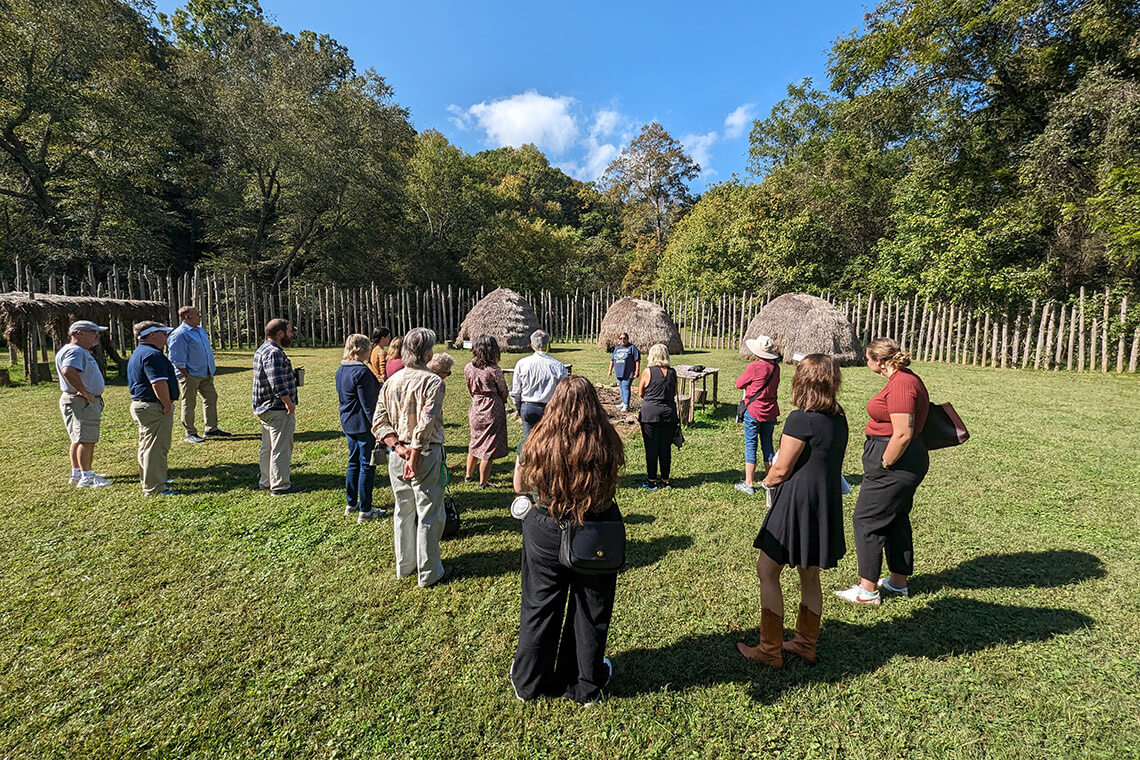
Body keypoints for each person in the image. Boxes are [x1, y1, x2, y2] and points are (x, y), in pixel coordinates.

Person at [509, 375, 626, 705]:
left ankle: (529, 681)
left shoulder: (536, 440)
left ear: (553, 403)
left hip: (545, 526)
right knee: (591, 608)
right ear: (593, 405)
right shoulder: (606, 440)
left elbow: (520, 484)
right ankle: (584, 685)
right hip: (596, 530)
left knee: (539, 605)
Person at [736, 355, 849, 668]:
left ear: (803, 379)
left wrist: (765, 483)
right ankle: (804, 643)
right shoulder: (838, 417)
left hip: (796, 503)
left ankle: (770, 649)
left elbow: (782, 467)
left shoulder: (802, 419)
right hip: (823, 505)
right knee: (809, 575)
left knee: (767, 569)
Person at [836, 338, 930, 605]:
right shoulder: (905, 379)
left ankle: (867, 591)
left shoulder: (901, 384)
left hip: (895, 460)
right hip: (903, 460)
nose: (866, 363)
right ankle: (898, 582)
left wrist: (885, 463)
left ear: (880, 361)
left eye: (867, 358)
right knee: (895, 517)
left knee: (867, 520)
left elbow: (902, 433)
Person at [371, 327, 453, 588]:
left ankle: (405, 564)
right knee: (429, 512)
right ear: (427, 352)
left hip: (399, 453)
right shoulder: (433, 382)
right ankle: (429, 571)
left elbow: (378, 422)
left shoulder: (391, 381)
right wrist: (413, 453)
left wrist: (396, 447)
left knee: (403, 510)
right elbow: (426, 422)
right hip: (424, 453)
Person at [56, 320, 112, 488]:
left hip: (75, 400)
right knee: (86, 440)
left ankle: (77, 472)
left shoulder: (71, 350)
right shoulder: (76, 351)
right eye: (93, 332)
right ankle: (87, 477)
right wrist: (85, 392)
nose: (97, 336)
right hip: (82, 402)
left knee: (78, 438)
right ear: (78, 333)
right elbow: (68, 371)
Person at [126, 321, 179, 497]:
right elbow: (158, 383)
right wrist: (166, 404)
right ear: (153, 334)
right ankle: (155, 487)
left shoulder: (140, 352)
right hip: (153, 406)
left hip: (143, 405)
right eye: (163, 333)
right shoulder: (153, 355)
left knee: (147, 446)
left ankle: (150, 479)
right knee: (156, 448)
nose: (166, 337)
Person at [252, 318, 301, 495]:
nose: (291, 335)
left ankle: (266, 480)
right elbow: (277, 384)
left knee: (268, 447)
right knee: (281, 447)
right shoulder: (274, 353)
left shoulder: (263, 349)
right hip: (276, 407)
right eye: (289, 331)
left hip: (264, 407)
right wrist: (289, 403)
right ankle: (280, 485)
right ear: (280, 333)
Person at [337, 334, 383, 522]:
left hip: (348, 422)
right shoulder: (362, 372)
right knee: (367, 465)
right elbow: (368, 404)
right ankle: (365, 508)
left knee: (353, 462)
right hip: (364, 425)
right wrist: (378, 427)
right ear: (362, 349)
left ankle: (351, 502)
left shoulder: (341, 370)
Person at [168, 305, 230, 443]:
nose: (200, 316)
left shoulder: (200, 330)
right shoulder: (179, 334)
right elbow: (175, 358)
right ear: (186, 317)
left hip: (205, 372)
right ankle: (190, 433)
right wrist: (186, 374)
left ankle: (211, 429)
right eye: (197, 314)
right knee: (189, 403)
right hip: (190, 375)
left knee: (211, 398)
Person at [735, 335, 782, 495]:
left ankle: (749, 482)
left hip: (754, 410)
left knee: (751, 444)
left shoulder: (754, 367)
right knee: (767, 443)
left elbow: (739, 383)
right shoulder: (776, 368)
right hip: (770, 410)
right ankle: (770, 479)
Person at [464, 334, 509, 488]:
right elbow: (503, 391)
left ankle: (468, 476)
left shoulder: (468, 367)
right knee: (488, 448)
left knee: (474, 443)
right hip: (492, 409)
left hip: (476, 407)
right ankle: (483, 483)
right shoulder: (494, 370)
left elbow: (470, 388)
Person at [510, 330, 567, 441]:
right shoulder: (558, 366)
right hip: (550, 408)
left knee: (529, 444)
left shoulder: (522, 364)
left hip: (528, 407)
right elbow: (564, 392)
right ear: (549, 345)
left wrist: (519, 407)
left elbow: (516, 391)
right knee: (549, 443)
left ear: (532, 346)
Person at [635, 343, 678, 490]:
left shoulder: (648, 371)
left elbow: (641, 392)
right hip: (669, 413)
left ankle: (652, 479)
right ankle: (665, 479)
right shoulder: (672, 373)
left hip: (650, 414)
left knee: (651, 448)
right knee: (665, 448)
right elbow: (674, 393)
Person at [607, 333, 641, 412]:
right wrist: (610, 370)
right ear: (618, 339)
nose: (623, 340)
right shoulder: (617, 348)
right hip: (619, 372)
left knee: (626, 387)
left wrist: (637, 370)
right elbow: (612, 360)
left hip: (628, 372)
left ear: (628, 339)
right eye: (621, 338)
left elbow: (637, 360)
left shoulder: (632, 348)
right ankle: (623, 402)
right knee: (621, 388)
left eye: (624, 338)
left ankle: (626, 405)